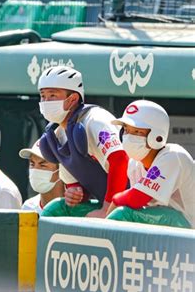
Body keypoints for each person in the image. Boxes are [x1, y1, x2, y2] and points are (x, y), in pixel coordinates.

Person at [37, 66, 129, 218]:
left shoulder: (95, 119)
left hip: (141, 204)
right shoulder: (57, 134)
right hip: (110, 204)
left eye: (52, 95)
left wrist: (108, 209)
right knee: (56, 209)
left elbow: (119, 159)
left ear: (72, 99)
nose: (46, 101)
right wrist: (75, 192)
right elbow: (75, 183)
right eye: (43, 96)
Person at [106, 100, 194, 228]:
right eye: (126, 130)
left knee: (123, 214)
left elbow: (137, 198)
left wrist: (116, 200)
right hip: (166, 225)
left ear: (157, 136)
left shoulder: (173, 155)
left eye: (137, 132)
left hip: (189, 226)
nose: (128, 136)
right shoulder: (134, 163)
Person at [19, 139, 64, 214]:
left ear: (60, 170)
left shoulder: (75, 210)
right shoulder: (27, 207)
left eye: (43, 165)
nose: (35, 170)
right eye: (32, 164)